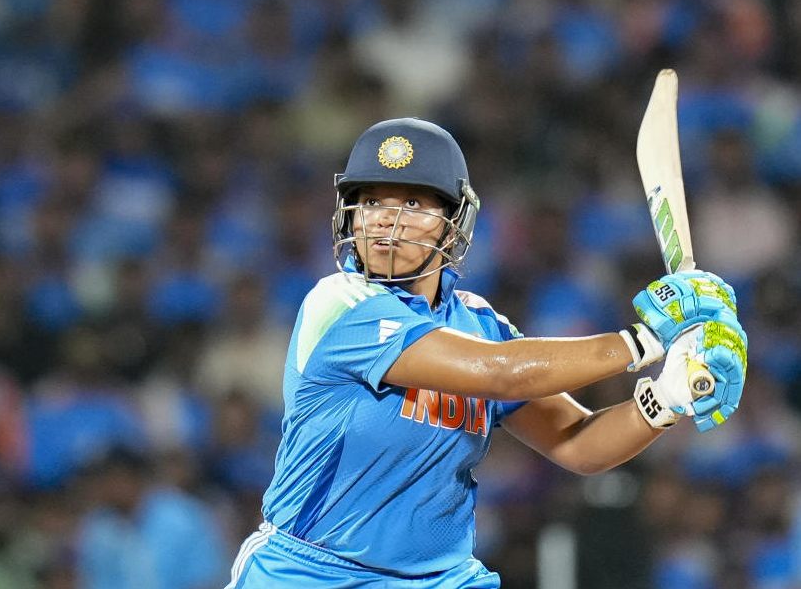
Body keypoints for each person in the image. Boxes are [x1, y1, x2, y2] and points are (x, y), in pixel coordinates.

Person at [225, 118, 748, 588]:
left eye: (412, 203)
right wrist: (648, 339)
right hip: (312, 572)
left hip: (439, 579)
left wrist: (665, 399)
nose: (387, 220)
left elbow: (579, 446)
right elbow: (501, 374)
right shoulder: (338, 303)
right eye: (373, 201)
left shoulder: (477, 322)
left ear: (454, 221)